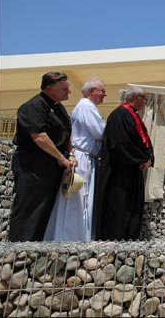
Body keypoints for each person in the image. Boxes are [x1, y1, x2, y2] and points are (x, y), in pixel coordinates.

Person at [8, 72, 78, 241]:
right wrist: (61, 157)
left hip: (52, 164)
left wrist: (70, 154)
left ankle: (37, 246)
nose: (68, 92)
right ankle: (19, 247)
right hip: (33, 164)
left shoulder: (58, 107)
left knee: (45, 207)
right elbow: (39, 136)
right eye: (64, 89)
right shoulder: (34, 106)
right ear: (49, 89)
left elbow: (65, 133)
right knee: (29, 206)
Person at [44, 78, 107, 241]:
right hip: (82, 158)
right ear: (92, 91)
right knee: (79, 199)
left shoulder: (85, 106)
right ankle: (73, 237)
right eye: (102, 91)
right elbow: (100, 132)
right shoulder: (86, 106)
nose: (105, 95)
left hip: (86, 157)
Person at [93, 86, 154, 240]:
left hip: (133, 169)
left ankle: (130, 239)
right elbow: (121, 144)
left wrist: (149, 158)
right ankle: (116, 239)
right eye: (144, 99)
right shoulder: (119, 115)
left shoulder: (133, 115)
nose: (145, 103)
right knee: (119, 206)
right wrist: (141, 158)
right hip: (120, 172)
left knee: (132, 206)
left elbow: (142, 140)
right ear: (134, 97)